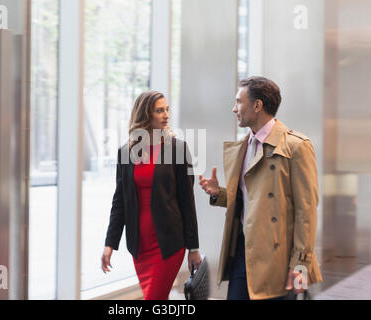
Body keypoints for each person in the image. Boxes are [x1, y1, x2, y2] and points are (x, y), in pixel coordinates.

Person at [199, 76, 323, 300]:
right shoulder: (243, 147)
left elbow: (307, 211)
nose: (234, 108)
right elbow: (254, 200)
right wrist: (220, 194)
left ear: (257, 106)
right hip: (242, 254)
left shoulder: (296, 146)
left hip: (278, 260)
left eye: (238, 102)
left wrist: (301, 264)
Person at [102, 90, 202, 300]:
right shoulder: (125, 153)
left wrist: (194, 247)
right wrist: (110, 243)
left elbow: (187, 202)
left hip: (169, 243)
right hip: (140, 244)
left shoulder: (179, 149)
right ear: (145, 114)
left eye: (167, 110)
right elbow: (119, 201)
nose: (166, 115)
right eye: (159, 110)